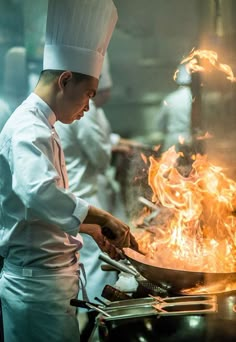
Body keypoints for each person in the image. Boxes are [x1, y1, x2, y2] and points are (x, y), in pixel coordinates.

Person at [0, 1, 138, 342]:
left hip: (50, 283)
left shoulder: (43, 125)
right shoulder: (28, 130)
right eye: (87, 94)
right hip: (36, 290)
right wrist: (101, 216)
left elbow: (38, 211)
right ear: (65, 80)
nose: (87, 106)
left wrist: (89, 227)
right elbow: (38, 193)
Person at [155, 62, 193, 153]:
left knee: (169, 166)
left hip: (172, 140)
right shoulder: (195, 99)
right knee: (193, 165)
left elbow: (159, 124)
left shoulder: (170, 98)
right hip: (190, 139)